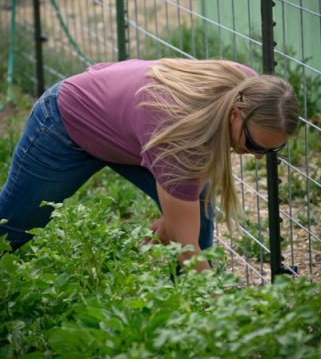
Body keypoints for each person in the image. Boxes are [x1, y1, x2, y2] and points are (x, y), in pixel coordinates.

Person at [0, 58, 298, 272]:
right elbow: (189, 252)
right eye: (255, 145)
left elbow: (185, 207)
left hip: (136, 132)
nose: (258, 156)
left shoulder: (243, 89)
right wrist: (225, 317)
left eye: (271, 150)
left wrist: (173, 222)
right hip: (65, 124)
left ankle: (184, 314)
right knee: (13, 229)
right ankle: (200, 314)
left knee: (197, 210)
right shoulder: (182, 139)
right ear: (235, 114)